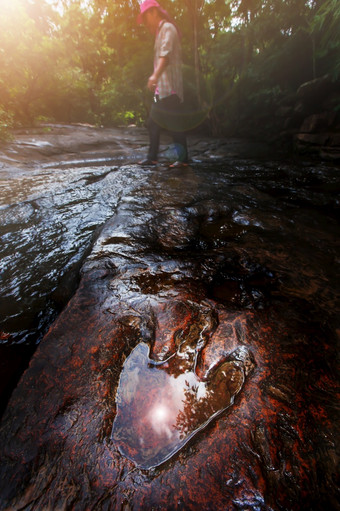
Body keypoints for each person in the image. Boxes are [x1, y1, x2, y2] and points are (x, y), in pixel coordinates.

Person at [137, 0, 188, 168]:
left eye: (145, 17)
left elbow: (165, 56)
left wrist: (154, 76)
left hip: (170, 87)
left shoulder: (168, 29)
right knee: (153, 122)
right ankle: (152, 157)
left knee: (174, 123)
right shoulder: (159, 32)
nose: (145, 22)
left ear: (153, 12)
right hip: (162, 89)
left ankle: (182, 160)